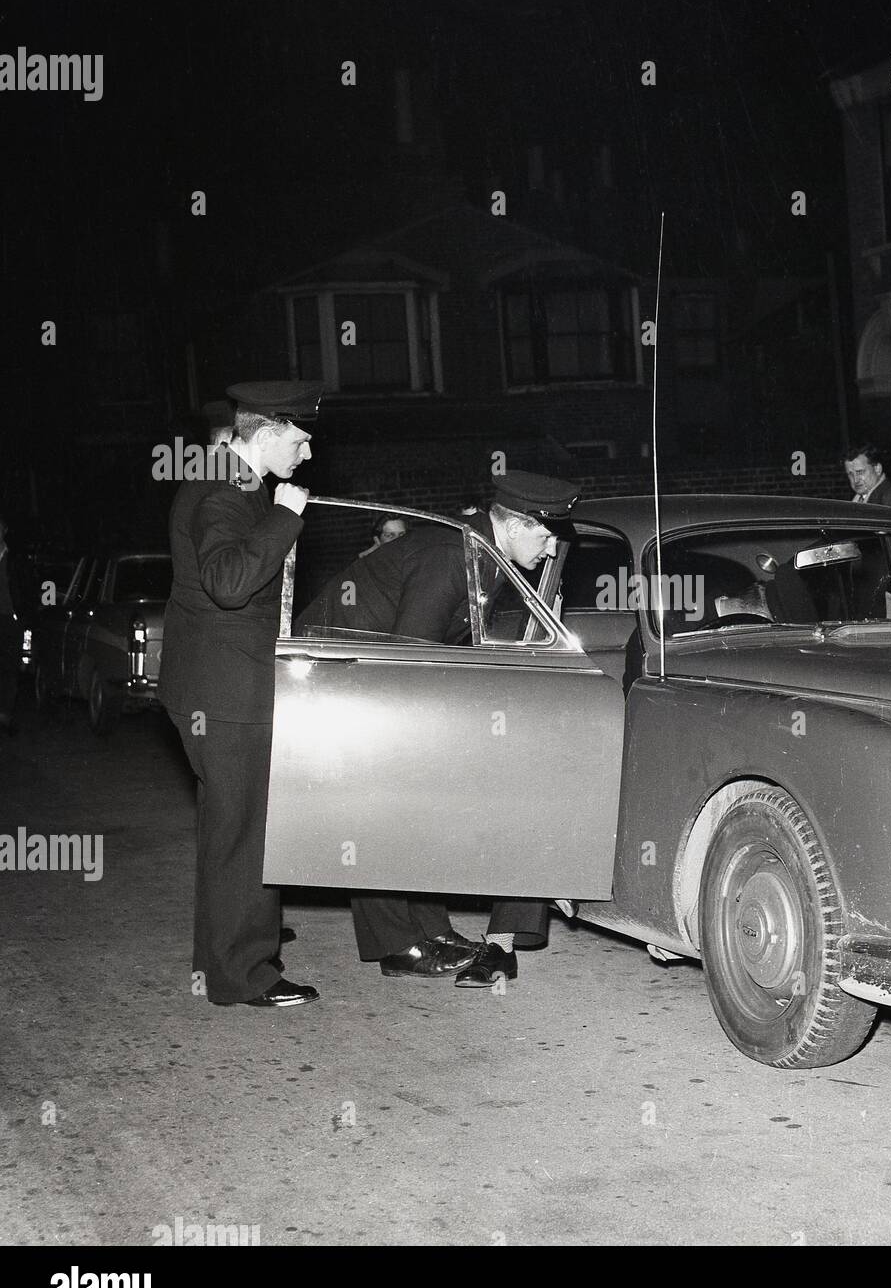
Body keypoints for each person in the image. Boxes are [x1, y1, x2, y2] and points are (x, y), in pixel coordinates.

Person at [299, 470, 581, 988]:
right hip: (348, 677)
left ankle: (431, 930)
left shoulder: (479, 548)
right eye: (544, 533)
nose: (551, 545)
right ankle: (396, 944)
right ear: (516, 525)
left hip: (373, 672)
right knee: (383, 804)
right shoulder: (454, 553)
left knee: (415, 803)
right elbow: (415, 653)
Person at [159, 380, 321, 1008]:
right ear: (270, 428)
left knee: (230, 832)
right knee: (244, 834)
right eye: (300, 438)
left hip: (219, 686)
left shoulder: (229, 483)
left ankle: (221, 963)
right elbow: (229, 583)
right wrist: (288, 516)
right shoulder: (228, 489)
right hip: (224, 695)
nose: (307, 452)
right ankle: (243, 975)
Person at [0, 513, 31, 735]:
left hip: (10, 620)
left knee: (11, 668)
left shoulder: (15, 560)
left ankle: (5, 715)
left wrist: (22, 617)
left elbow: (26, 588)